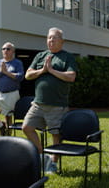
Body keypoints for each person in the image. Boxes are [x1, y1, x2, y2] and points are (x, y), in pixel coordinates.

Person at [22, 27, 77, 174]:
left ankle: (53, 163)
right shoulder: (41, 56)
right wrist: (43, 71)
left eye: (54, 38)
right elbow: (28, 75)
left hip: (57, 105)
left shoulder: (67, 57)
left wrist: (52, 70)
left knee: (55, 135)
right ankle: (42, 154)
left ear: (62, 41)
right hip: (38, 104)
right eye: (49, 38)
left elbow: (71, 76)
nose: (51, 40)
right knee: (26, 127)